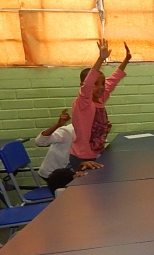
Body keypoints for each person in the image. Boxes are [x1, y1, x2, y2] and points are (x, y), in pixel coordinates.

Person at [69, 39, 131, 171]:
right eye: (96, 84)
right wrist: (101, 59)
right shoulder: (83, 102)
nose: (101, 87)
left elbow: (113, 79)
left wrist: (126, 60)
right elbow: (88, 84)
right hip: (82, 158)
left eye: (102, 83)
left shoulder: (100, 98)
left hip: (97, 154)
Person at [35, 109, 102, 180]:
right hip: (54, 174)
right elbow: (40, 142)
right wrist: (58, 125)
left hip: (72, 170)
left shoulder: (93, 130)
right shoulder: (67, 131)